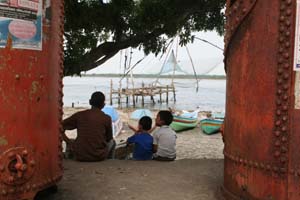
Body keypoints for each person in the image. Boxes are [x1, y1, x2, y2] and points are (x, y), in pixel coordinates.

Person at [62, 91, 115, 161]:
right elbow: (109, 138)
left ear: (90, 102)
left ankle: (68, 157)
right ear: (103, 105)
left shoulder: (80, 115)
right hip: (99, 156)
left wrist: (67, 141)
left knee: (72, 140)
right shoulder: (106, 118)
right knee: (113, 142)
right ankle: (109, 160)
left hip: (80, 155)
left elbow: (59, 126)